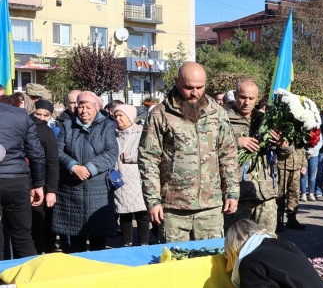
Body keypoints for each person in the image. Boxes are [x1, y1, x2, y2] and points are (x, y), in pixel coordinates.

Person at [139, 62, 239, 242]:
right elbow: (148, 159)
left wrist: (232, 192)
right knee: (174, 265)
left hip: (210, 208)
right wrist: (153, 201)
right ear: (177, 82)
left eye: (200, 87)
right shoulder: (160, 115)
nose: (195, 93)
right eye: (189, 87)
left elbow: (228, 154)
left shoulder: (217, 113)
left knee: (210, 263)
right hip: (173, 209)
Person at [52, 91, 119, 252]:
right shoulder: (68, 125)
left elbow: (111, 153)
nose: (84, 111)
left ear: (96, 108)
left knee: (98, 240)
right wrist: (73, 166)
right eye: (80, 106)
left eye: (88, 107)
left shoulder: (107, 125)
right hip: (71, 190)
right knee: (76, 241)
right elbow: (57, 151)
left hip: (98, 190)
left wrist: (89, 168)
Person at [225, 80, 279, 236]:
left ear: (257, 98)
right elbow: (209, 148)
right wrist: (236, 142)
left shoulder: (266, 121)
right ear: (235, 96)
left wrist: (283, 145)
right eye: (242, 97)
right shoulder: (222, 120)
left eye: (251, 98)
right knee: (236, 244)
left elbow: (283, 154)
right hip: (238, 196)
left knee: (267, 242)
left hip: (265, 194)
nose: (246, 102)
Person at [0, 95, 45, 259]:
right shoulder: (20, 115)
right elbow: (36, 153)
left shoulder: (20, 115)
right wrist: (38, 184)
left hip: (15, 177)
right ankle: (28, 280)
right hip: (16, 179)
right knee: (23, 237)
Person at [111, 104, 150, 247]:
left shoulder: (141, 132)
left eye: (121, 115)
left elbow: (147, 152)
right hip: (118, 178)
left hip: (136, 179)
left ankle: (144, 243)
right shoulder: (112, 134)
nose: (118, 119)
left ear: (130, 117)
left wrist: (130, 156)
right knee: (124, 213)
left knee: (142, 213)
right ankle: (126, 243)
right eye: (116, 116)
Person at [29, 100, 59, 254]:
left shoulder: (48, 132)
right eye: (37, 114)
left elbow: (53, 162)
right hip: (29, 184)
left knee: (44, 225)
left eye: (45, 115)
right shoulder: (29, 128)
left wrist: (52, 190)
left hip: (45, 185)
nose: (41, 117)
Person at [276, 141, 306, 231]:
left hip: (296, 165)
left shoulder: (299, 129)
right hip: (282, 165)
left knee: (294, 193)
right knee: (279, 194)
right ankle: (277, 219)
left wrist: (303, 164)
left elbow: (302, 147)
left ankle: (292, 218)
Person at [300, 137, 322, 202]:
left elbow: (320, 142)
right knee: (303, 175)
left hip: (314, 155)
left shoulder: (317, 129)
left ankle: (311, 193)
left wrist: (313, 150)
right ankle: (303, 194)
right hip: (303, 155)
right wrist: (307, 151)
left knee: (312, 175)